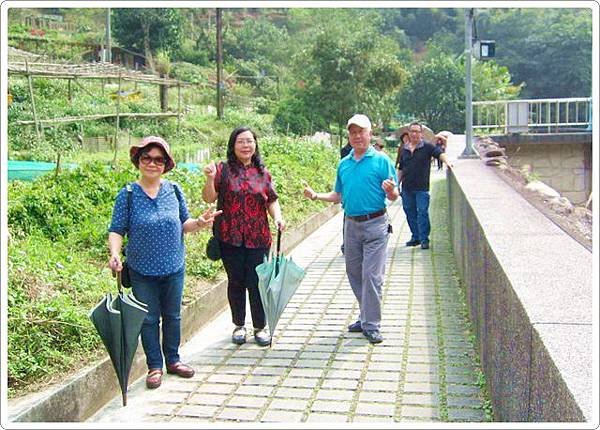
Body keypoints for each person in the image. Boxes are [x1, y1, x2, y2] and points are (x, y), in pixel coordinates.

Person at [108, 136, 221, 390]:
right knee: (148, 319)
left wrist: (200, 222)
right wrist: (114, 254)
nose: (152, 163)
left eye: (158, 159)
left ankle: (173, 360)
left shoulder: (174, 190)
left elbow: (185, 224)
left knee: (172, 316)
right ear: (138, 161)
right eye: (146, 158)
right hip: (141, 269)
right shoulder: (127, 195)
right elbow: (116, 230)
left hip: (174, 266)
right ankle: (154, 366)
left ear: (166, 164)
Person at [303, 114, 398, 344]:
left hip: (376, 224)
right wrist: (315, 195)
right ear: (349, 136)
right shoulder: (344, 164)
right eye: (353, 132)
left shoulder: (381, 160)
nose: (357, 136)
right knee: (355, 273)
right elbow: (338, 195)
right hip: (350, 225)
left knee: (372, 276)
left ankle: (372, 325)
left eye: (361, 131)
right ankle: (366, 315)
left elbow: (394, 195)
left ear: (369, 133)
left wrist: (390, 191)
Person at [202, 126, 285, 347]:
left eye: (249, 141)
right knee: (236, 282)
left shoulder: (263, 173)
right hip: (230, 237)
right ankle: (239, 325)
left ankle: (260, 326)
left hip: (258, 238)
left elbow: (271, 200)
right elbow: (209, 198)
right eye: (241, 141)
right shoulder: (223, 170)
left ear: (255, 145)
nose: (246, 145)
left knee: (257, 282)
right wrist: (210, 179)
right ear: (233, 145)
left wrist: (278, 217)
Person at [397, 122, 453, 250]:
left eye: (417, 131)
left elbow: (439, 153)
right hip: (407, 188)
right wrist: (397, 183)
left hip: (422, 188)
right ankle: (415, 237)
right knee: (409, 213)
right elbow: (401, 168)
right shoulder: (404, 149)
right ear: (409, 133)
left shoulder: (427, 147)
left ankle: (424, 239)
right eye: (412, 131)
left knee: (422, 213)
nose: (414, 134)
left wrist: (448, 162)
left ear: (421, 134)